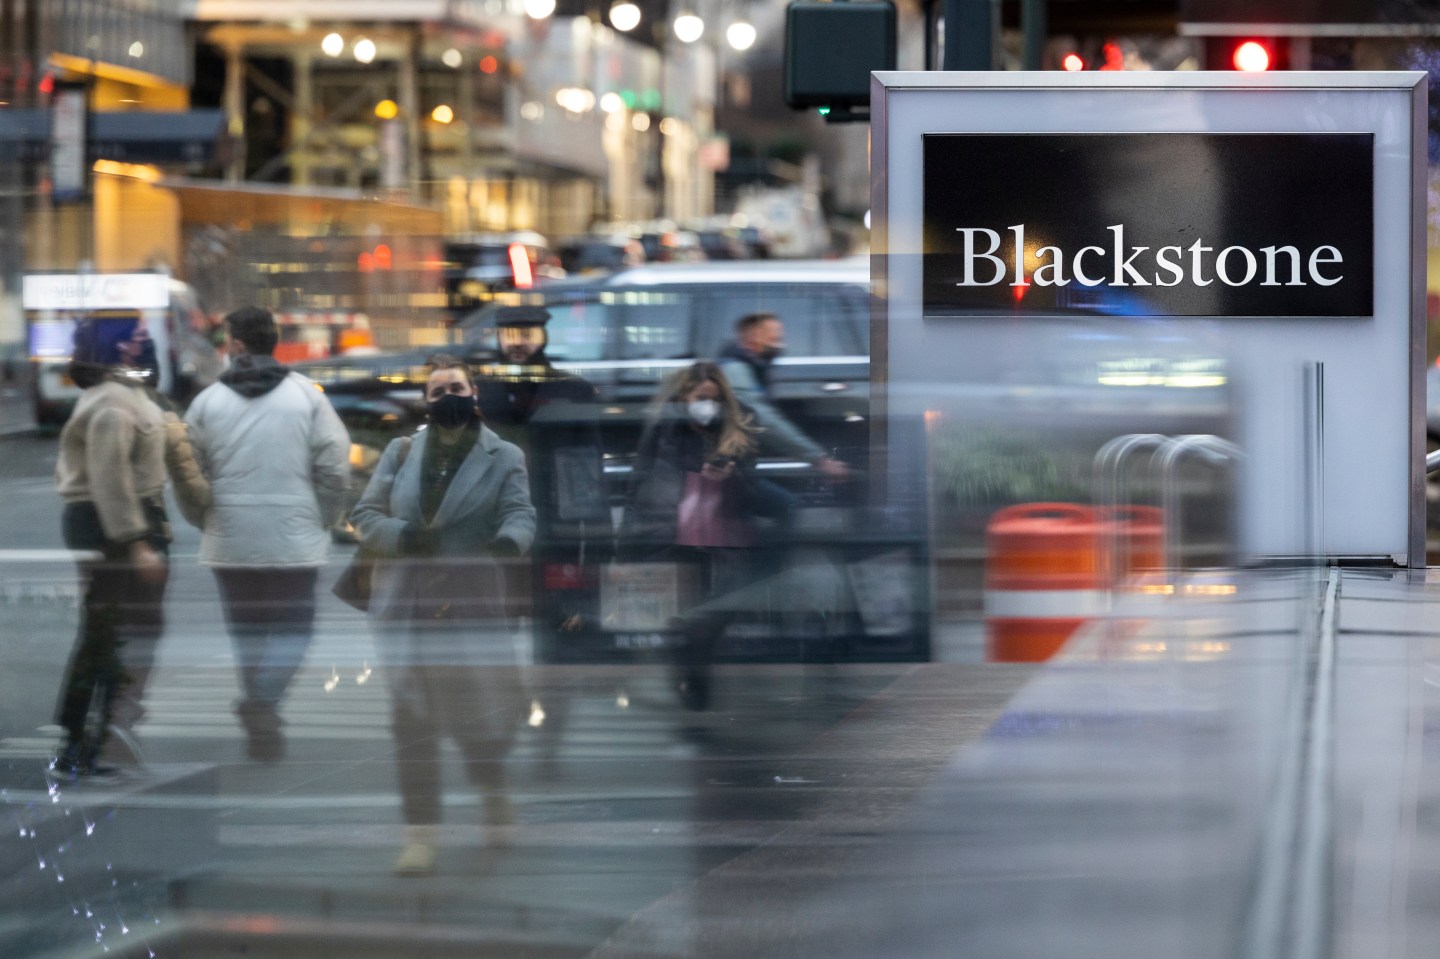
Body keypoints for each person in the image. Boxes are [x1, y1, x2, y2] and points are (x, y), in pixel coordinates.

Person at [350, 354, 537, 877]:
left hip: (472, 600)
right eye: (437, 391)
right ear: (426, 402)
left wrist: (508, 543)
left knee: (478, 714)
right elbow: (365, 513)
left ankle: (492, 789)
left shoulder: (504, 455)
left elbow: (521, 511)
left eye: (456, 386)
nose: (447, 396)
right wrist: (402, 536)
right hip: (409, 604)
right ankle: (421, 835)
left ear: (473, 393)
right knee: (411, 723)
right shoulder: (401, 450)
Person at [184, 306, 351, 762]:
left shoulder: (206, 403)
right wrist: (326, 516)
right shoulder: (308, 397)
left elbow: (189, 473)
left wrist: (203, 517)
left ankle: (262, 719)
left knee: (247, 633)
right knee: (296, 628)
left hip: (230, 537)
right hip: (293, 537)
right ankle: (263, 703)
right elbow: (335, 466)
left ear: (236, 345)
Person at [52, 315, 183, 775]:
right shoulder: (111, 401)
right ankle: (85, 740)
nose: (147, 341)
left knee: (119, 631)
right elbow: (110, 478)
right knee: (114, 632)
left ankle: (94, 738)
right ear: (121, 346)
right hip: (112, 523)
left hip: (120, 520)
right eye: (139, 336)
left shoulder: (124, 391)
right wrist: (137, 542)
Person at [621, 361, 760, 710]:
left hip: (726, 530)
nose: (707, 404)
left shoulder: (739, 423)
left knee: (717, 610)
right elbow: (641, 480)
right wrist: (627, 540)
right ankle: (692, 675)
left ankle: (690, 664)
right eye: (701, 397)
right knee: (686, 609)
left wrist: (731, 473)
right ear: (685, 395)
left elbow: (754, 487)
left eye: (714, 398)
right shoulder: (666, 426)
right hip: (676, 531)